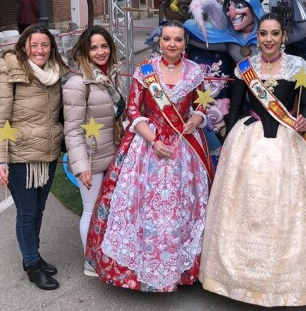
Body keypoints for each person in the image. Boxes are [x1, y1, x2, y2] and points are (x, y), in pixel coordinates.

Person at [200, 13, 306, 307]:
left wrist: (305, 119)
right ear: (257, 37)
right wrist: (229, 148)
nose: (268, 39)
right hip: (248, 143)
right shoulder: (245, 69)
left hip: (288, 144)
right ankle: (237, 280)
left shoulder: (298, 67)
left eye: (274, 34)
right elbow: (236, 109)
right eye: (263, 34)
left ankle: (290, 281)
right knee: (245, 206)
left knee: (290, 208)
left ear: (283, 37)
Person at [84, 20, 213, 292]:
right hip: (147, 146)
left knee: (184, 209)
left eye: (178, 40)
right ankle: (141, 270)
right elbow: (133, 110)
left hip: (184, 148)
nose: (172, 44)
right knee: (141, 208)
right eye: (167, 39)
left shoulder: (196, 72)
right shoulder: (145, 72)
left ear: (184, 43)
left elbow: (202, 103)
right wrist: (153, 140)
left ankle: (182, 270)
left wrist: (198, 117)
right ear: (160, 41)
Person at [0, 25, 70, 290]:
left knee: (39, 210)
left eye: (45, 45)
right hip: (20, 156)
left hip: (47, 153)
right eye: (34, 45)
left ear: (51, 47)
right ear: (24, 46)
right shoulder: (7, 72)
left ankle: (31, 255)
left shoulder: (56, 73)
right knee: (27, 212)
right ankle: (33, 266)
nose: (40, 50)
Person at [62, 26, 125, 276]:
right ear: (85, 52)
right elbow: (72, 130)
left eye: (104, 46)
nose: (100, 52)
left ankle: (105, 254)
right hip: (90, 157)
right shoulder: (78, 83)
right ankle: (90, 259)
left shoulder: (111, 77)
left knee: (107, 210)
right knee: (90, 209)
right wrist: (81, 167)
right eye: (94, 48)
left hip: (113, 153)